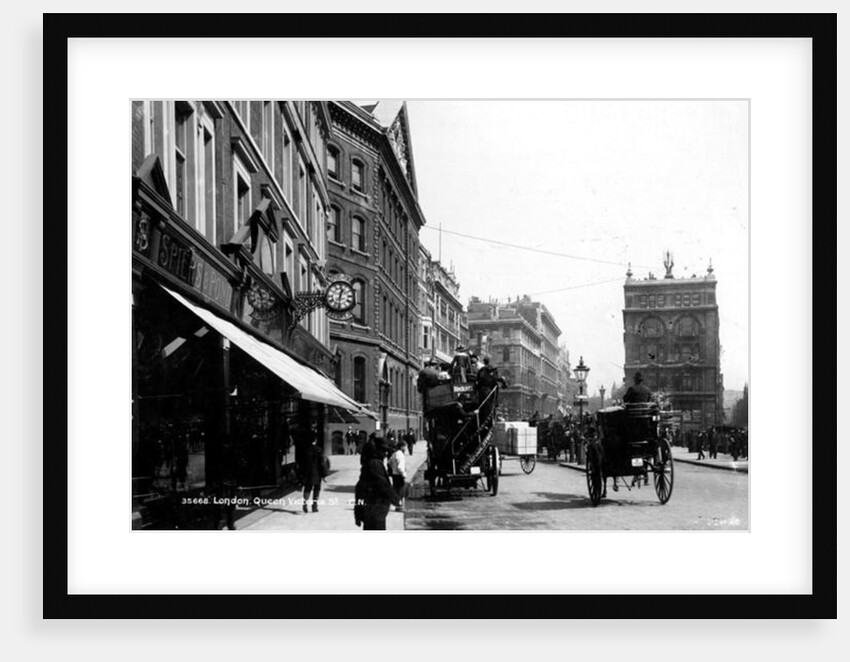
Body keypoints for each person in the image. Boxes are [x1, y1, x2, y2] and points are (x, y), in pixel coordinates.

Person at [354, 437, 401, 530]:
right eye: (383, 451)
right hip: (375, 507)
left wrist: (358, 512)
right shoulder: (375, 464)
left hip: (371, 509)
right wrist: (396, 499)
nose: (385, 454)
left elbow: (359, 488)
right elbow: (383, 484)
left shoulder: (370, 463)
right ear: (377, 450)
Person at [298, 426, 326, 513]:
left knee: (307, 488)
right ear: (315, 440)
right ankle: (314, 506)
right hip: (317, 473)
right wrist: (324, 474)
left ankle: (305, 504)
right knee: (316, 489)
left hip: (308, 473)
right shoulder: (319, 450)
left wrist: (301, 474)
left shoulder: (306, 450)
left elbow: (302, 463)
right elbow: (322, 463)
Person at [388, 439, 407, 512]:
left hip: (394, 475)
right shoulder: (400, 454)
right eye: (405, 446)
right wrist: (404, 474)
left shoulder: (394, 453)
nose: (406, 448)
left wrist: (393, 468)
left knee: (395, 490)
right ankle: (400, 507)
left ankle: (395, 505)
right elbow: (400, 467)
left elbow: (389, 462)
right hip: (399, 475)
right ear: (402, 447)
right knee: (400, 492)